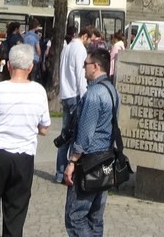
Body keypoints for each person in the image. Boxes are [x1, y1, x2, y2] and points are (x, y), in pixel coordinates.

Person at [0, 43, 51, 237]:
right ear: (30, 67)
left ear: (8, 66)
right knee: (15, 214)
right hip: (23, 157)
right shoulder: (39, 91)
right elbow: (44, 128)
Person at [64, 46, 120, 237]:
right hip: (106, 159)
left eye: (85, 64)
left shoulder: (94, 94)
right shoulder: (112, 90)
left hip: (88, 162)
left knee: (75, 217)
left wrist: (72, 162)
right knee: (95, 218)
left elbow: (85, 134)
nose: (83, 68)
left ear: (95, 66)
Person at [55, 25, 89, 183]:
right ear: (85, 36)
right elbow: (80, 75)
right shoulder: (80, 49)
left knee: (64, 135)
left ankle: (59, 172)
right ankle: (69, 172)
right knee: (74, 135)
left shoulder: (67, 47)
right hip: (75, 95)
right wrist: (84, 95)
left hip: (65, 93)